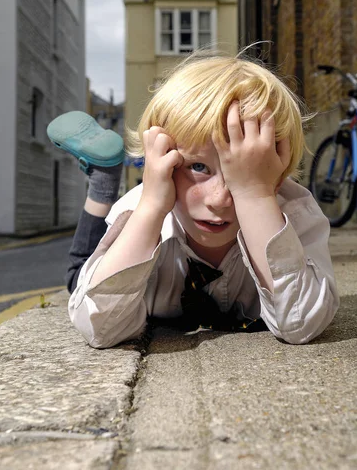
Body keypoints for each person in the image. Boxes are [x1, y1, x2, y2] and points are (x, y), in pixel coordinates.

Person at [48, 53, 339, 349]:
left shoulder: (295, 213)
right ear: (162, 163)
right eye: (198, 167)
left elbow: (302, 324)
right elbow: (101, 327)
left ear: (278, 172)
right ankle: (103, 181)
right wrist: (150, 208)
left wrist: (255, 195)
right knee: (78, 278)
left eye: (244, 173)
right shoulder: (139, 209)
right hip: (132, 220)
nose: (220, 199)